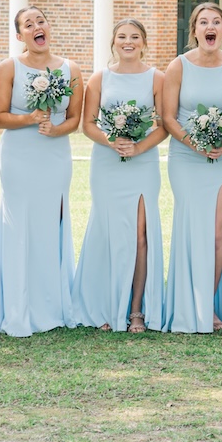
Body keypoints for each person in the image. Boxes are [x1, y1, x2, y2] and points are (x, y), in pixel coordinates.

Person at [0, 6, 82, 336]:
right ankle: (17, 307)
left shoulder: (70, 69)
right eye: (28, 25)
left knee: (50, 223)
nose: (36, 27)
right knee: (19, 224)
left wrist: (58, 130)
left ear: (48, 27)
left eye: (41, 21)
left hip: (55, 155)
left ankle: (51, 305)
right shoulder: (8, 68)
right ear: (20, 36)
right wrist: (29, 119)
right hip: (18, 154)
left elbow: (74, 118)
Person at [72, 19, 167, 333]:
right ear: (113, 42)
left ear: (144, 42)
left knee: (141, 234)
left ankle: (136, 309)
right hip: (107, 162)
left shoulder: (157, 78)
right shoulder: (100, 78)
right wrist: (111, 142)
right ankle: (104, 305)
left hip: (143, 162)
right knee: (108, 232)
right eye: (122, 37)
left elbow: (164, 125)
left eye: (135, 37)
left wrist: (138, 148)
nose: (129, 42)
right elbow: (88, 124)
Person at [160, 2, 222, 333]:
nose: (211, 27)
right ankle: (187, 303)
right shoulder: (178, 66)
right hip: (185, 156)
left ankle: (207, 304)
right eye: (204, 22)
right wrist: (194, 143)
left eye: (217, 22)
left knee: (216, 232)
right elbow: (167, 116)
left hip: (221, 158)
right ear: (194, 30)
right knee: (193, 229)